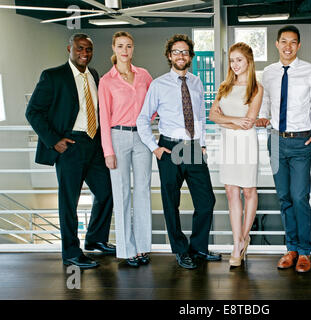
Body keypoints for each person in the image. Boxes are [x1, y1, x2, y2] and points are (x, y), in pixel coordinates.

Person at [25, 33, 115, 269]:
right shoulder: (53, 76)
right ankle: (71, 254)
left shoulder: (94, 75)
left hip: (94, 145)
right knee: (69, 202)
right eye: (79, 49)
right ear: (69, 48)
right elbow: (33, 111)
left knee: (106, 193)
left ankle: (95, 239)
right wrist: (54, 140)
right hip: (70, 146)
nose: (84, 53)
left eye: (88, 50)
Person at [137, 34, 221, 269]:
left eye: (185, 52)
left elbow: (201, 116)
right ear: (169, 56)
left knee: (206, 201)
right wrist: (154, 147)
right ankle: (180, 250)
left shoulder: (196, 82)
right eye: (176, 51)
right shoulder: (158, 84)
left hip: (193, 147)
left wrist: (202, 143)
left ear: (191, 56)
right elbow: (143, 119)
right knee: (171, 202)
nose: (181, 56)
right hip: (170, 147)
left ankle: (199, 248)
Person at [256, 25, 311, 273]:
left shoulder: (310, 71)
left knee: (299, 197)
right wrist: (262, 118)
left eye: (293, 42)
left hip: (301, 141)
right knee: (284, 197)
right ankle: (291, 248)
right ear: (276, 44)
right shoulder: (269, 73)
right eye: (284, 41)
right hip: (275, 140)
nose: (288, 46)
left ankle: (304, 251)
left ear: (298, 45)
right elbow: (266, 102)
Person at [98, 31, 153, 268]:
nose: (124, 51)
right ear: (113, 48)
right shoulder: (106, 81)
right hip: (117, 136)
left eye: (128, 46)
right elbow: (103, 117)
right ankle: (126, 249)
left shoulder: (144, 76)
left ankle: (142, 247)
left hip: (142, 137)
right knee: (121, 194)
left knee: (142, 191)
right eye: (120, 46)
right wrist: (107, 151)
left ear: (133, 49)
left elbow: (154, 104)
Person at [209, 42, 263, 267]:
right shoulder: (224, 86)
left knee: (249, 190)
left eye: (239, 59)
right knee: (231, 192)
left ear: (249, 61)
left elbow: (248, 123)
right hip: (229, 144)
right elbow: (212, 115)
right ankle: (236, 241)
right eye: (232, 60)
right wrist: (233, 120)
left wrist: (226, 119)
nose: (235, 64)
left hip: (246, 144)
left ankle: (243, 238)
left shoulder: (256, 88)